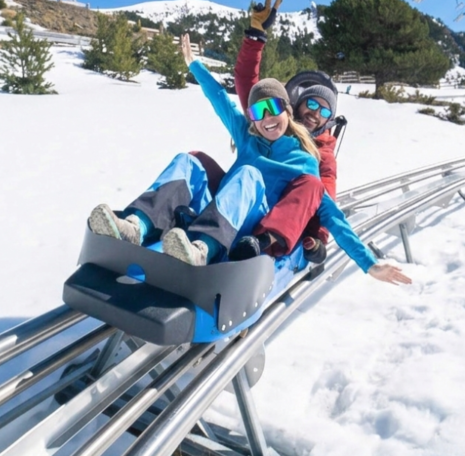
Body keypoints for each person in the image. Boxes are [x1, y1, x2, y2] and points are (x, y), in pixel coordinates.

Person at [89, 33, 411, 285]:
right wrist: (193, 66)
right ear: (252, 118)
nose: (268, 117)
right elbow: (218, 98)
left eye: (275, 109)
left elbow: (334, 218)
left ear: (287, 111)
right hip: (219, 208)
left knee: (248, 175)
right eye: (259, 111)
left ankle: (201, 250)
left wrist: (369, 263)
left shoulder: (305, 163)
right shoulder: (247, 136)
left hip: (251, 227)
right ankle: (135, 225)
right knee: (189, 160)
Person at [233, 0, 340, 264]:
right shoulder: (274, 121)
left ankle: (259, 245)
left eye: (324, 111)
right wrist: (256, 35)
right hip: (249, 199)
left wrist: (319, 237)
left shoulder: (323, 153)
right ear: (297, 104)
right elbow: (247, 82)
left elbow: (323, 192)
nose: (315, 113)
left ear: (329, 119)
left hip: (279, 222)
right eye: (311, 105)